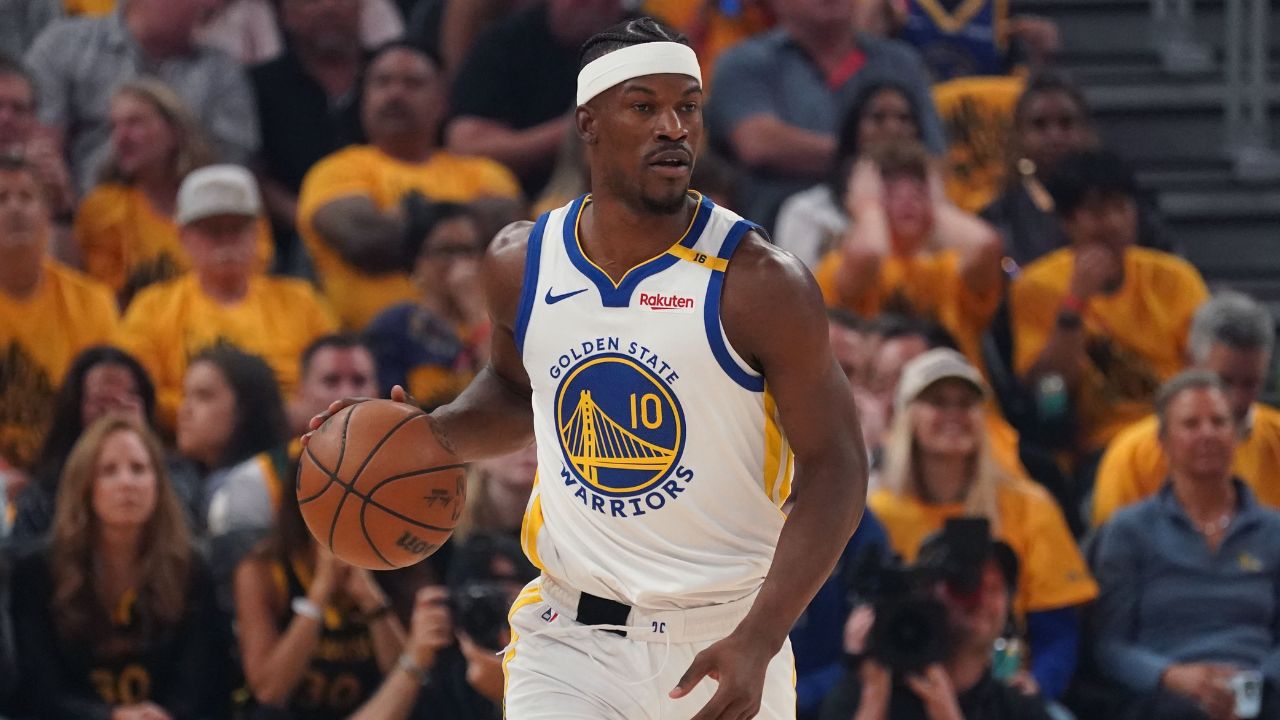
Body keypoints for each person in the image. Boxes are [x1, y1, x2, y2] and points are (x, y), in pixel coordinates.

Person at [307, 17, 867, 719]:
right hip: (571, 638)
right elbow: (516, 391)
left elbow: (839, 465)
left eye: (687, 107)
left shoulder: (760, 282)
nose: (673, 126)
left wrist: (761, 637)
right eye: (644, 106)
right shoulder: (521, 261)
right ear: (589, 122)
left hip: (727, 630)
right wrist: (425, 436)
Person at [869, 349, 1097, 700]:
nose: (954, 415)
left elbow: (1056, 628)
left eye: (966, 403)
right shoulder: (874, 513)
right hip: (900, 689)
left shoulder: (1029, 505)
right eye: (938, 402)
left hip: (1001, 689)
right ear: (906, 417)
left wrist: (1038, 686)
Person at [9, 415, 229, 719]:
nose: (127, 483)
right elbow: (36, 692)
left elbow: (205, 685)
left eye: (139, 469)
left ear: (158, 483)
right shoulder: (35, 571)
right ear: (83, 484)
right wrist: (110, 716)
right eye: (108, 471)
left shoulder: (191, 568)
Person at [1091, 370, 1280, 720]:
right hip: (1165, 698)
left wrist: (1258, 683)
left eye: (1219, 422)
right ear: (1163, 441)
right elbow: (1109, 646)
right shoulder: (1129, 529)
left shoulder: (1274, 530)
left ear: (1237, 435)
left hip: (1262, 695)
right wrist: (1170, 677)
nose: (1207, 433)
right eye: (1191, 424)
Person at [297, 41, 521, 330]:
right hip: (369, 357)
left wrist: (405, 219)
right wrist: (459, 229)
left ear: (442, 101)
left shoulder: (486, 172)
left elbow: (511, 239)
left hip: (479, 354)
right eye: (383, 82)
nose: (396, 93)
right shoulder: (334, 172)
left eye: (413, 83)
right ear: (364, 97)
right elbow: (363, 240)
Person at [1010, 149, 1208, 461]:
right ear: (1068, 222)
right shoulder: (1037, 284)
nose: (1114, 223)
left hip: (1176, 438)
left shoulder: (1175, 278)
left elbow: (1206, 369)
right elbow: (1048, 386)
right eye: (1098, 212)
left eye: (1121, 208)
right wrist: (1075, 302)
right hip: (1098, 448)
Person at [120, 164, 336, 427]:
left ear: (258, 232)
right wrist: (227, 418)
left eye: (236, 229)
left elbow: (334, 378)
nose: (225, 241)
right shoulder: (152, 307)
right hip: (188, 454)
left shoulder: (301, 301)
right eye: (211, 231)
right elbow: (139, 392)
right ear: (183, 236)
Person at [706, 0, 944, 230]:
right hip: (769, 239)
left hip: (895, 234)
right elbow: (758, 143)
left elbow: (933, 155)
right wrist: (874, 154)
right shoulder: (743, 63)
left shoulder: (900, 61)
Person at [24, 0, 259, 194]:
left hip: (183, 226)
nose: (211, 5)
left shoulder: (221, 72)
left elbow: (228, 172)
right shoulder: (64, 44)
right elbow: (38, 144)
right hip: (75, 218)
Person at [821, 530, 1055, 720]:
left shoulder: (1018, 709)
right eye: (964, 587)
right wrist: (874, 694)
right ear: (927, 595)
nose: (981, 600)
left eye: (994, 589)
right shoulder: (861, 691)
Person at [232, 466, 407, 720]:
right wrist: (318, 597)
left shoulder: (392, 560)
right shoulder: (265, 570)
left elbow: (407, 682)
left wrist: (372, 600)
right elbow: (269, 692)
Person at [1093, 291, 1280, 525]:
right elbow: (1116, 552)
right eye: (1224, 382)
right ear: (1191, 363)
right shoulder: (1133, 456)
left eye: (1251, 384)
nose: (1238, 400)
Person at [75, 81, 272, 302]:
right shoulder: (103, 208)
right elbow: (108, 300)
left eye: (135, 123)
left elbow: (252, 284)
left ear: (175, 131)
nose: (121, 138)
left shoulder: (225, 196)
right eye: (114, 127)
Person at [814, 142, 1004, 368]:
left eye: (918, 190)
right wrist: (867, 206)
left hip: (956, 398)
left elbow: (986, 246)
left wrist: (939, 206)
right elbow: (869, 253)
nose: (907, 199)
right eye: (891, 190)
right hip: (876, 398)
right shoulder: (836, 266)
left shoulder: (949, 269)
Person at [0, 155, 118, 472]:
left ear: (47, 214)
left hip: (75, 469)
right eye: (2, 198)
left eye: (27, 197)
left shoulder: (92, 301)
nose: (14, 208)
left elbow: (109, 407)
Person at [980, 74, 1171, 269]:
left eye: (1066, 123)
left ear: (1087, 131)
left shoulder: (1132, 206)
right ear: (1019, 136)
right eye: (1039, 125)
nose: (1054, 136)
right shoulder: (999, 217)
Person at [445, 0, 629, 196]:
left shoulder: (642, 39)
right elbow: (465, 143)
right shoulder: (508, 40)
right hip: (522, 192)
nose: (592, 6)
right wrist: (571, 131)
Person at [207, 334, 379, 540]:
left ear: (377, 392)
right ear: (301, 392)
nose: (346, 394)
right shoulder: (256, 483)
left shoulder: (407, 469)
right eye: (331, 381)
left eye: (359, 381)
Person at [8, 345, 175, 545]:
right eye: (102, 401)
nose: (114, 413)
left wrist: (141, 444)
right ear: (76, 409)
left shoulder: (176, 478)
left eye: (128, 400)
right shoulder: (42, 495)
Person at [248, 0, 367, 270]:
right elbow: (253, 173)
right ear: (285, 15)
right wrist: (312, 220)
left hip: (384, 233)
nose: (329, 7)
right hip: (291, 243)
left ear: (362, 7)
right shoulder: (261, 85)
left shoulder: (390, 75)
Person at [774, 80, 925, 271]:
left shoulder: (929, 210)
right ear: (853, 130)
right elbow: (796, 291)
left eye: (904, 119)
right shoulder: (807, 211)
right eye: (878, 118)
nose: (892, 128)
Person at [365, 201, 488, 409]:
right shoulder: (395, 327)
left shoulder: (504, 321)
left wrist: (476, 312)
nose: (460, 263)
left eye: (468, 251)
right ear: (416, 261)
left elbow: (509, 394)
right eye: (446, 251)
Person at [174, 346, 288, 534]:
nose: (185, 410)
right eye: (185, 395)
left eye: (204, 396)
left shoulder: (270, 483)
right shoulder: (176, 479)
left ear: (246, 409)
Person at [0, 53, 73, 249]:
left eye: (18, 108)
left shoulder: (42, 172)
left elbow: (66, 267)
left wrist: (62, 208)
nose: (6, 117)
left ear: (34, 119)